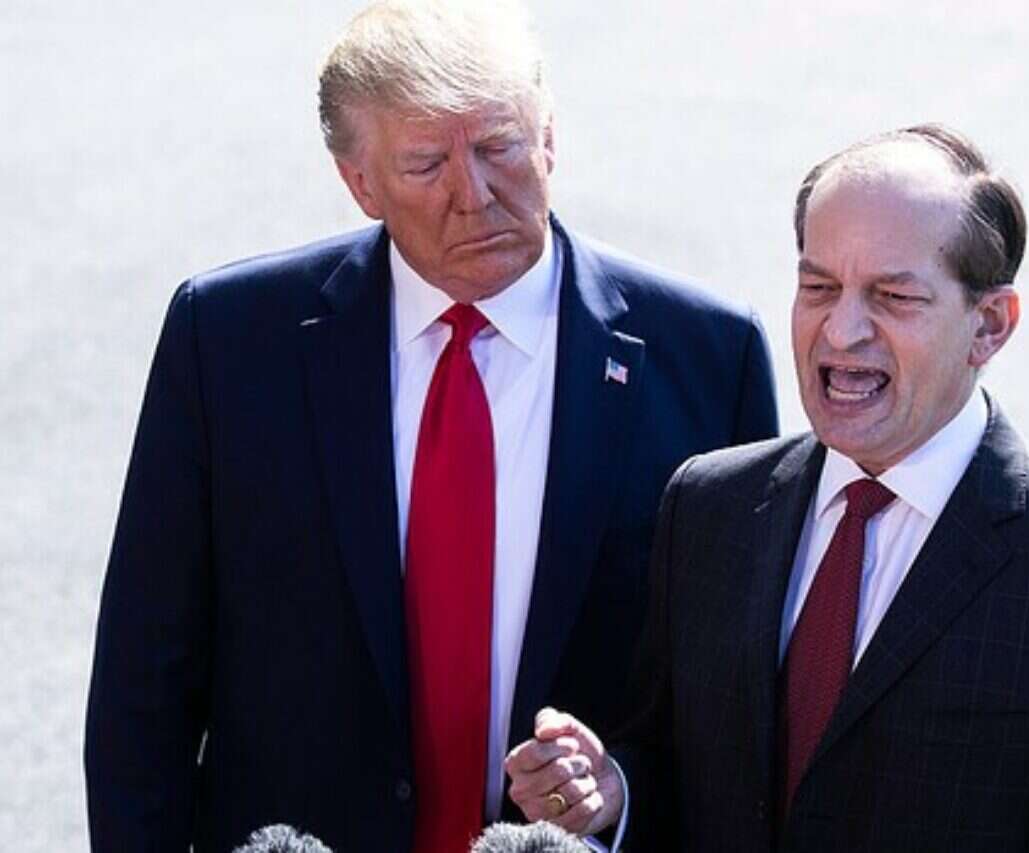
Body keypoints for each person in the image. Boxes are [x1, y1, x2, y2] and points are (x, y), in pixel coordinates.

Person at [82, 1, 778, 850]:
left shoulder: (707, 357)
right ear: (360, 183)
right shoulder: (227, 343)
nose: (473, 195)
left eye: (499, 146)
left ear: (549, 137)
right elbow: (143, 685)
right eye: (425, 164)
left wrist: (618, 790)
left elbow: (735, 709)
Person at [506, 124, 1029, 851]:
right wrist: (616, 792)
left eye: (893, 297)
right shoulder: (710, 508)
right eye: (819, 287)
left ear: (990, 325)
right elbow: (681, 775)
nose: (840, 332)